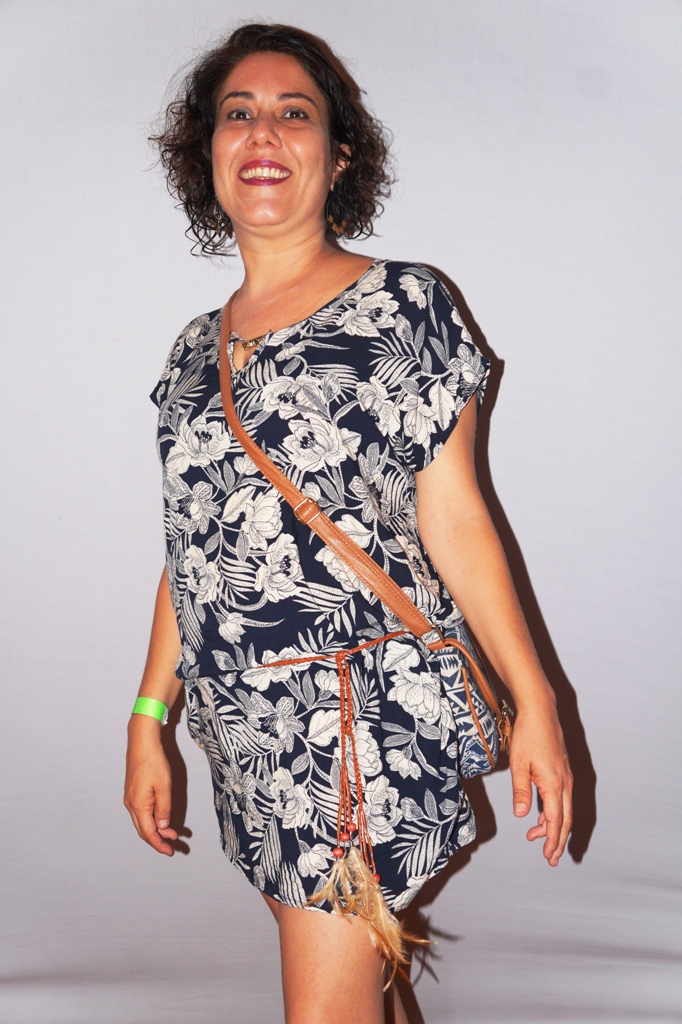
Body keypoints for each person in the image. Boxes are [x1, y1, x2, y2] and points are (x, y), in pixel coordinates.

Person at [124, 22, 572, 1024]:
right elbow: (193, 550)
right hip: (243, 728)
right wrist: (148, 718)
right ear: (207, 154)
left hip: (348, 718)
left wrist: (535, 696)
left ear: (337, 157)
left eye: (294, 113)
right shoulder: (192, 353)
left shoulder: (402, 304)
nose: (263, 132)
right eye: (237, 114)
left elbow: (456, 516)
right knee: (364, 972)